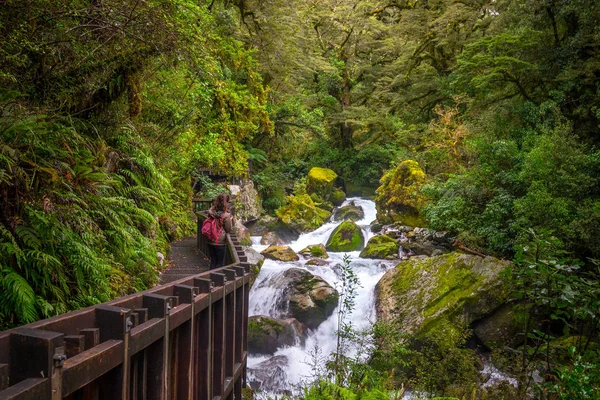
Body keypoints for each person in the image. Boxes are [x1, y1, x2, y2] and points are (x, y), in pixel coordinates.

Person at [206, 193, 233, 269]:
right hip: (220, 242)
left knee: (213, 261)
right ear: (226, 202)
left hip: (210, 240)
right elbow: (228, 229)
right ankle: (216, 280)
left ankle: (210, 278)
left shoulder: (211, 212)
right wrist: (230, 220)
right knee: (219, 264)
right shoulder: (226, 215)